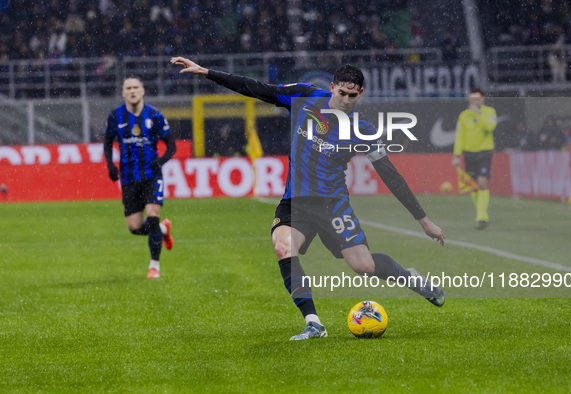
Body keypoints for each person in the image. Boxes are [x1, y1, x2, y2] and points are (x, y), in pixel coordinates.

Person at [171, 57, 445, 340]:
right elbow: (257, 88)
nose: (347, 100)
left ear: (360, 94)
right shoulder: (305, 97)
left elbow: (390, 175)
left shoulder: (362, 129)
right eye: (342, 93)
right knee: (282, 246)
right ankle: (314, 323)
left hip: (332, 204)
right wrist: (207, 72)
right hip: (296, 201)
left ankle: (410, 277)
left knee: (364, 266)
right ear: (332, 87)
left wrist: (423, 220)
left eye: (353, 95)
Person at [103, 77, 177, 279]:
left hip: (152, 175)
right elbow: (108, 142)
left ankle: (154, 266)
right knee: (135, 227)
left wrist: (160, 162)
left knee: (152, 216)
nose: (133, 91)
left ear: (142, 91)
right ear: (123, 93)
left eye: (136, 87)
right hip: (127, 177)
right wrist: (110, 165)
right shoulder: (115, 116)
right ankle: (163, 229)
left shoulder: (154, 115)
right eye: (128, 88)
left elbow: (172, 145)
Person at [452, 88, 497, 229]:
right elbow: (460, 136)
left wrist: (479, 113)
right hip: (469, 154)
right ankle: (480, 213)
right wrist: (456, 155)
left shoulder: (490, 112)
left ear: (482, 99)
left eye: (477, 99)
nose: (474, 102)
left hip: (484, 152)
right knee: (473, 185)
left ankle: (482, 215)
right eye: (472, 99)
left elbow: (490, 126)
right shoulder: (464, 115)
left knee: (482, 182)